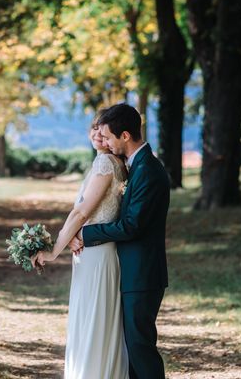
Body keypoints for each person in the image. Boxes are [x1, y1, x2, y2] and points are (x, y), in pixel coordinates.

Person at [69, 103, 169, 379]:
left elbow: (131, 226)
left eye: (110, 138)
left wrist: (87, 234)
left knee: (140, 348)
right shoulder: (134, 165)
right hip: (132, 272)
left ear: (125, 135)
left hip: (143, 274)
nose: (107, 144)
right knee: (132, 350)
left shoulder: (148, 170)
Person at [32, 113, 129, 379]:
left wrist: (53, 251)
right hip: (95, 250)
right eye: (94, 128)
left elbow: (80, 213)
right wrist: (75, 236)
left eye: (103, 130)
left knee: (93, 322)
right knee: (92, 319)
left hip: (96, 255)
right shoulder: (113, 162)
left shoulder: (104, 164)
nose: (97, 134)